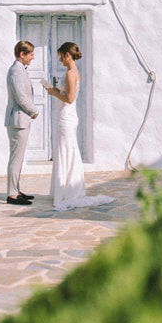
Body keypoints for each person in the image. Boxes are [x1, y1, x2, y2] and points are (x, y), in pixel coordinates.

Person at [44, 42, 114, 212]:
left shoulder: (70, 73)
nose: (60, 60)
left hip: (66, 116)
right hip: (68, 116)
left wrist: (53, 93)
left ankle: (67, 190)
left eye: (61, 56)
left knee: (66, 150)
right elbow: (68, 95)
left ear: (67, 55)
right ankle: (68, 188)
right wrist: (56, 91)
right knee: (68, 150)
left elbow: (69, 98)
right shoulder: (74, 72)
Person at [5, 40, 38, 206]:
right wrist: (33, 111)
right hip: (18, 120)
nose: (33, 57)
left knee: (18, 157)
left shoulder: (19, 70)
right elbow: (21, 97)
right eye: (31, 54)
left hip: (20, 119)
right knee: (16, 158)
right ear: (22, 54)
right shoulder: (16, 72)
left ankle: (16, 190)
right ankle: (12, 195)